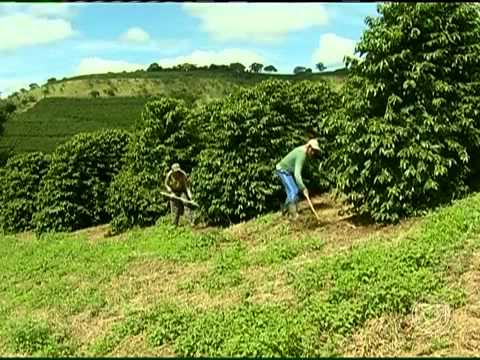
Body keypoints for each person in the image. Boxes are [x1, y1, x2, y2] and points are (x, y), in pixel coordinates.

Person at [275, 139, 321, 219]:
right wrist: (303, 188)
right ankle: (293, 215)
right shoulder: (301, 154)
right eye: (313, 150)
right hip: (282, 170)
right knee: (293, 191)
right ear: (309, 147)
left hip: (287, 171)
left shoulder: (304, 152)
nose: (313, 153)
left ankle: (284, 212)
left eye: (315, 151)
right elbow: (297, 174)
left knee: (293, 191)